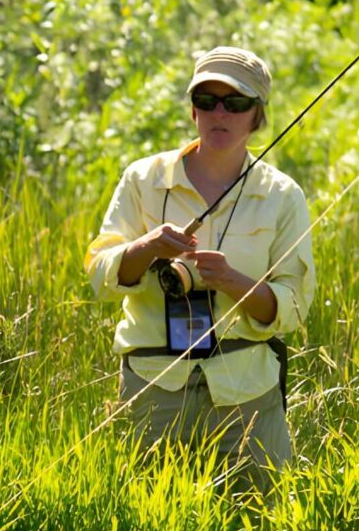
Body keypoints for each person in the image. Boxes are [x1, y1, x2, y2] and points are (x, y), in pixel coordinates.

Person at [85, 46, 315, 483]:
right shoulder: (142, 179)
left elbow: (293, 308)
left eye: (236, 103)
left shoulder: (284, 196)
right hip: (154, 387)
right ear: (193, 110)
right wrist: (146, 248)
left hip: (247, 391)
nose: (219, 113)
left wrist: (232, 280)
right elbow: (100, 272)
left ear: (257, 116)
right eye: (206, 100)